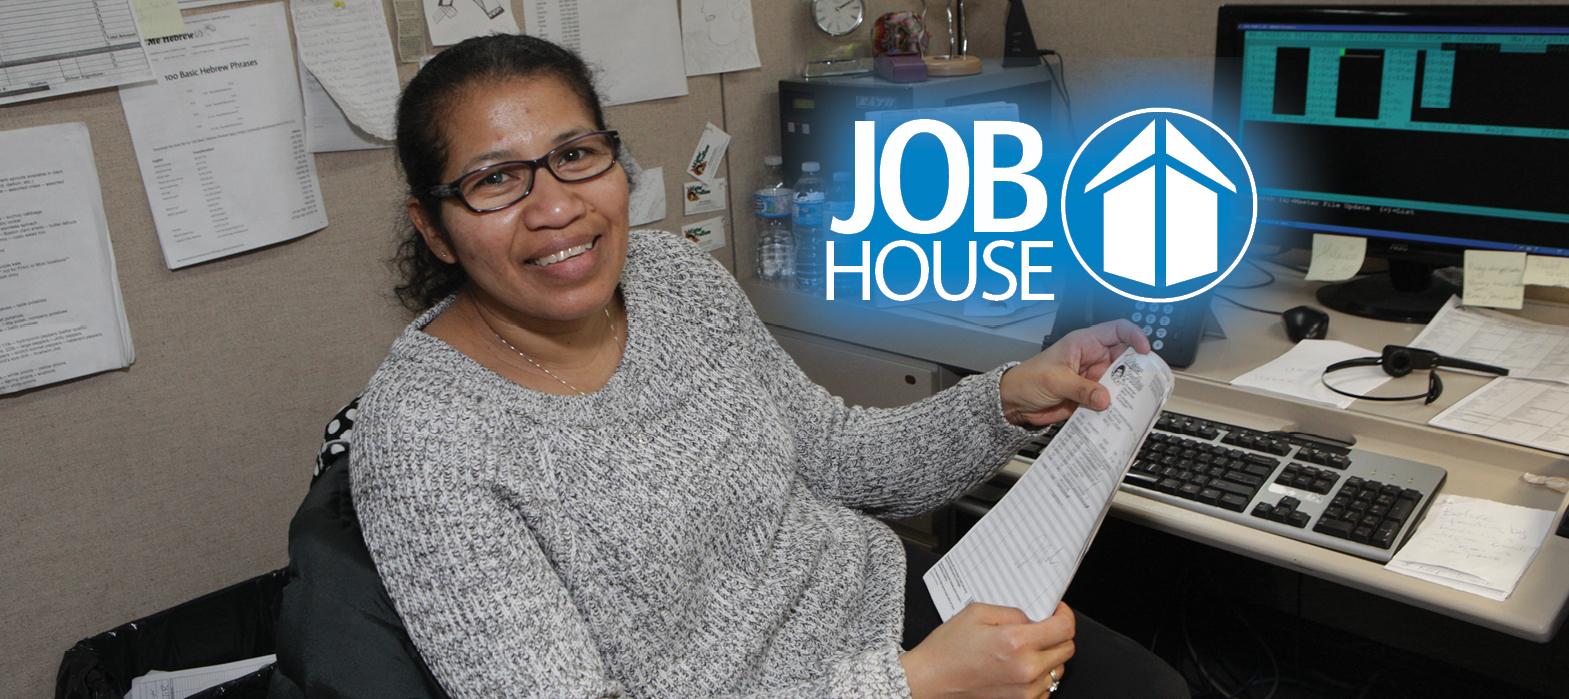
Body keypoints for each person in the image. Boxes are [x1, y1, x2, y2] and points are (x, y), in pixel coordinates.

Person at [350, 33, 1189, 699]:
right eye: (496, 180)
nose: (556, 206)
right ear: (433, 227)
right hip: (873, 679)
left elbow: (838, 456)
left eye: (575, 155)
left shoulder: (669, 277)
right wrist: (913, 685)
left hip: (883, 611)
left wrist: (1005, 397)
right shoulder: (425, 437)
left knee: (1150, 684)